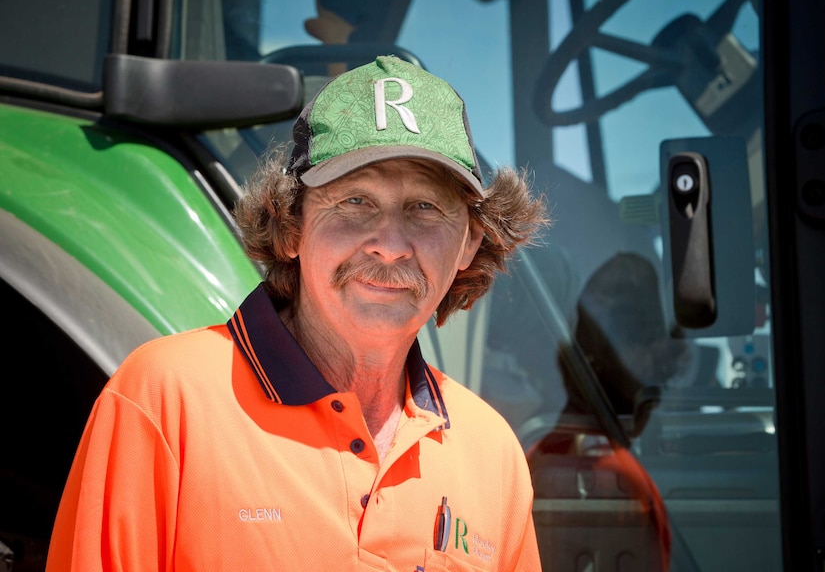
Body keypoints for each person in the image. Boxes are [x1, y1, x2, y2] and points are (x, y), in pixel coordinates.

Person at [46, 55, 549, 571]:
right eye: (355, 201)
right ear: (290, 228)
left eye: (424, 207)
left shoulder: (494, 456)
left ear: (469, 242)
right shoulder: (163, 401)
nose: (391, 245)